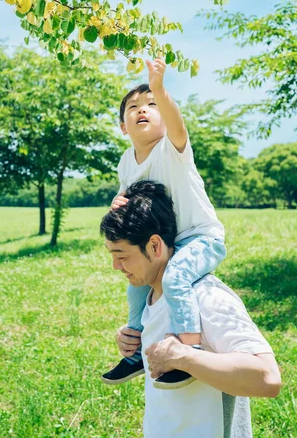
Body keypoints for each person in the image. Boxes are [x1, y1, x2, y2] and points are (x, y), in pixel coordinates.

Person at [100, 180, 281, 438]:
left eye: (123, 255)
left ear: (155, 245)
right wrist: (134, 341)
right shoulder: (150, 295)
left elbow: (268, 379)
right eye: (111, 255)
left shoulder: (208, 298)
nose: (116, 266)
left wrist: (186, 357)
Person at [101, 58, 226, 389]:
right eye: (133, 107)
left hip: (201, 238)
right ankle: (134, 353)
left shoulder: (171, 149)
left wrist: (159, 88)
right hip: (164, 243)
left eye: (151, 105)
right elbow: (127, 197)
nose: (142, 109)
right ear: (123, 127)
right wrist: (118, 202)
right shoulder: (127, 161)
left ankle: (188, 350)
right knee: (135, 288)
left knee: (175, 278)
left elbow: (178, 126)